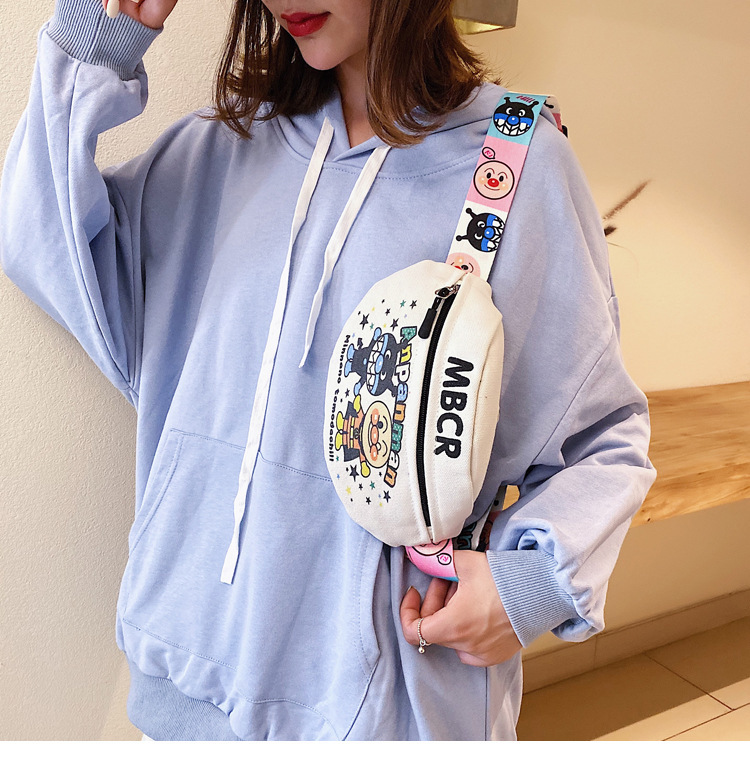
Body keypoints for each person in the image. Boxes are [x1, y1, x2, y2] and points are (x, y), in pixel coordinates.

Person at [0, 0, 656, 741]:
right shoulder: (221, 150)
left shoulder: (514, 169)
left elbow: (605, 439)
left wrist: (527, 584)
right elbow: (43, 235)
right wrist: (99, 42)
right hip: (185, 700)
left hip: (385, 716)